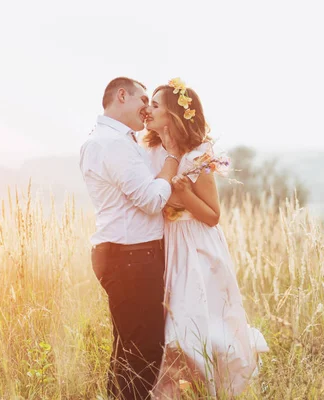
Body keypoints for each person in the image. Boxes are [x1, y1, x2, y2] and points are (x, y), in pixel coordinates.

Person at [143, 78, 269, 398]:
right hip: (166, 244)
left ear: (172, 114)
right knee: (171, 330)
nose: (148, 109)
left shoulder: (199, 154)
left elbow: (212, 215)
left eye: (155, 105)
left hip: (197, 247)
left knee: (198, 326)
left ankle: (209, 389)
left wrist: (183, 197)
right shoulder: (149, 151)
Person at [79, 77, 182, 399]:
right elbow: (151, 200)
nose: (146, 109)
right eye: (143, 99)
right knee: (144, 352)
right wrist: (173, 159)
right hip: (132, 257)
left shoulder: (115, 141)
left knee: (128, 351)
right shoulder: (112, 144)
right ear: (121, 96)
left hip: (125, 255)